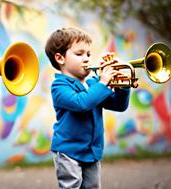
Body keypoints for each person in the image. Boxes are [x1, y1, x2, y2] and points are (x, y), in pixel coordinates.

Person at [45, 27, 130, 189]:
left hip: (92, 151)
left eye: (88, 54)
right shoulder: (59, 86)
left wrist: (123, 85)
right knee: (71, 186)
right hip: (68, 150)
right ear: (60, 58)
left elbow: (118, 106)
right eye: (79, 54)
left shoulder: (93, 84)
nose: (86, 59)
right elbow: (82, 103)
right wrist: (103, 82)